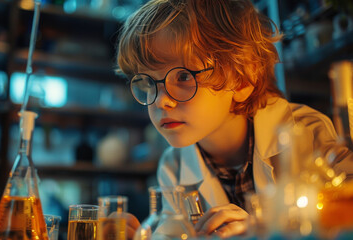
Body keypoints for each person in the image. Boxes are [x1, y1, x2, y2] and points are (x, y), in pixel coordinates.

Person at [115, 0, 353, 239]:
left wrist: (263, 232)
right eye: (147, 82)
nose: (160, 101)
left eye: (183, 76)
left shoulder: (308, 133)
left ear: (241, 79)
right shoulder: (173, 167)